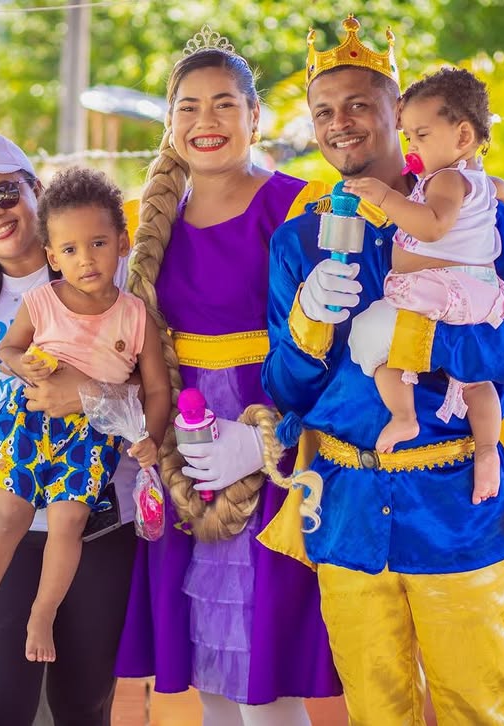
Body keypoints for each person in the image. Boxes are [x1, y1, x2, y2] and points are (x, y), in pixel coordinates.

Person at [258, 16, 504, 723]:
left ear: (401, 114)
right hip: (348, 513)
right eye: (323, 111)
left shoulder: (482, 219)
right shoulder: (299, 240)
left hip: (460, 510)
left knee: (483, 709)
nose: (340, 123)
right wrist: (308, 323)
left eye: (360, 103)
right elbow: (287, 389)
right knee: (376, 713)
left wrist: (425, 341)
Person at [114, 31, 342, 725]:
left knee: (268, 669)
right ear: (169, 122)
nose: (204, 123)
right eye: (188, 107)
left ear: (255, 118)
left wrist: (268, 444)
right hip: (188, 449)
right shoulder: (144, 226)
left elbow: (337, 356)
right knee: (210, 665)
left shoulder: (303, 208)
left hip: (271, 441)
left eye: (223, 105)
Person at [0, 134, 138, 725]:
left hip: (97, 511)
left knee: (84, 703)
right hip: (2, 513)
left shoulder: (105, 268)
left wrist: (90, 400)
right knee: (0, 707)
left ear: (34, 191)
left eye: (3, 193)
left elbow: (151, 389)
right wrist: (30, 469)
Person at [0, 167, 169, 666]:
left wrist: (151, 436)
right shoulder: (42, 301)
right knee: (8, 514)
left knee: (68, 523)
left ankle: (42, 613)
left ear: (122, 243)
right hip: (28, 421)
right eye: (69, 250)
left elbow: (157, 388)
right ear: (52, 257)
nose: (85, 259)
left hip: (92, 436)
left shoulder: (136, 316)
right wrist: (18, 360)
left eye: (97, 244)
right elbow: (8, 349)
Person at [343, 68, 504, 507]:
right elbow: (502, 197)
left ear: (462, 136)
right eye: (409, 137)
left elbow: (433, 227)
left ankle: (404, 416)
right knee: (474, 382)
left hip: (442, 291)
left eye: (420, 136)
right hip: (469, 291)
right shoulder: (472, 181)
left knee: (371, 335)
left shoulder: (447, 180)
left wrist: (385, 198)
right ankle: (488, 450)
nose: (411, 147)